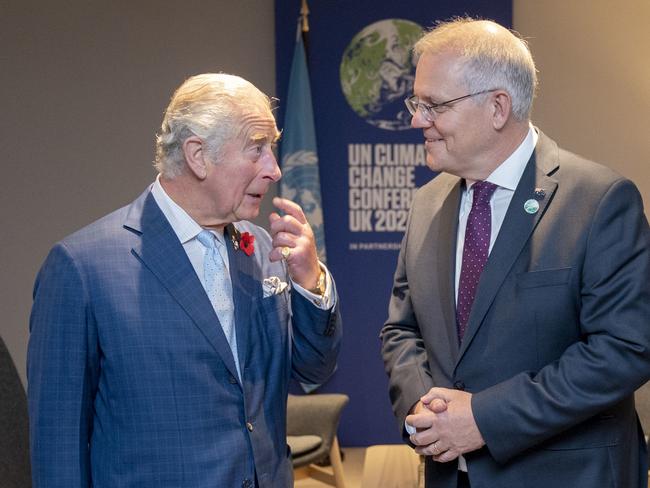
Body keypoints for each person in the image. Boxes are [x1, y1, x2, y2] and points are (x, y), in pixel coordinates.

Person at [28, 73, 341, 488]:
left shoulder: (265, 248)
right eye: (257, 149)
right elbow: (58, 448)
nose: (274, 169)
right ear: (198, 155)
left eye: (273, 149)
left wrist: (309, 282)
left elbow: (313, 370)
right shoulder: (82, 268)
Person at [380, 18, 650, 488]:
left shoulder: (599, 200)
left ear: (498, 107)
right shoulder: (427, 203)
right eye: (416, 103)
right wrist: (426, 413)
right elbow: (401, 329)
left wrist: (484, 418)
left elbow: (624, 349)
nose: (416, 120)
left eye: (433, 105)